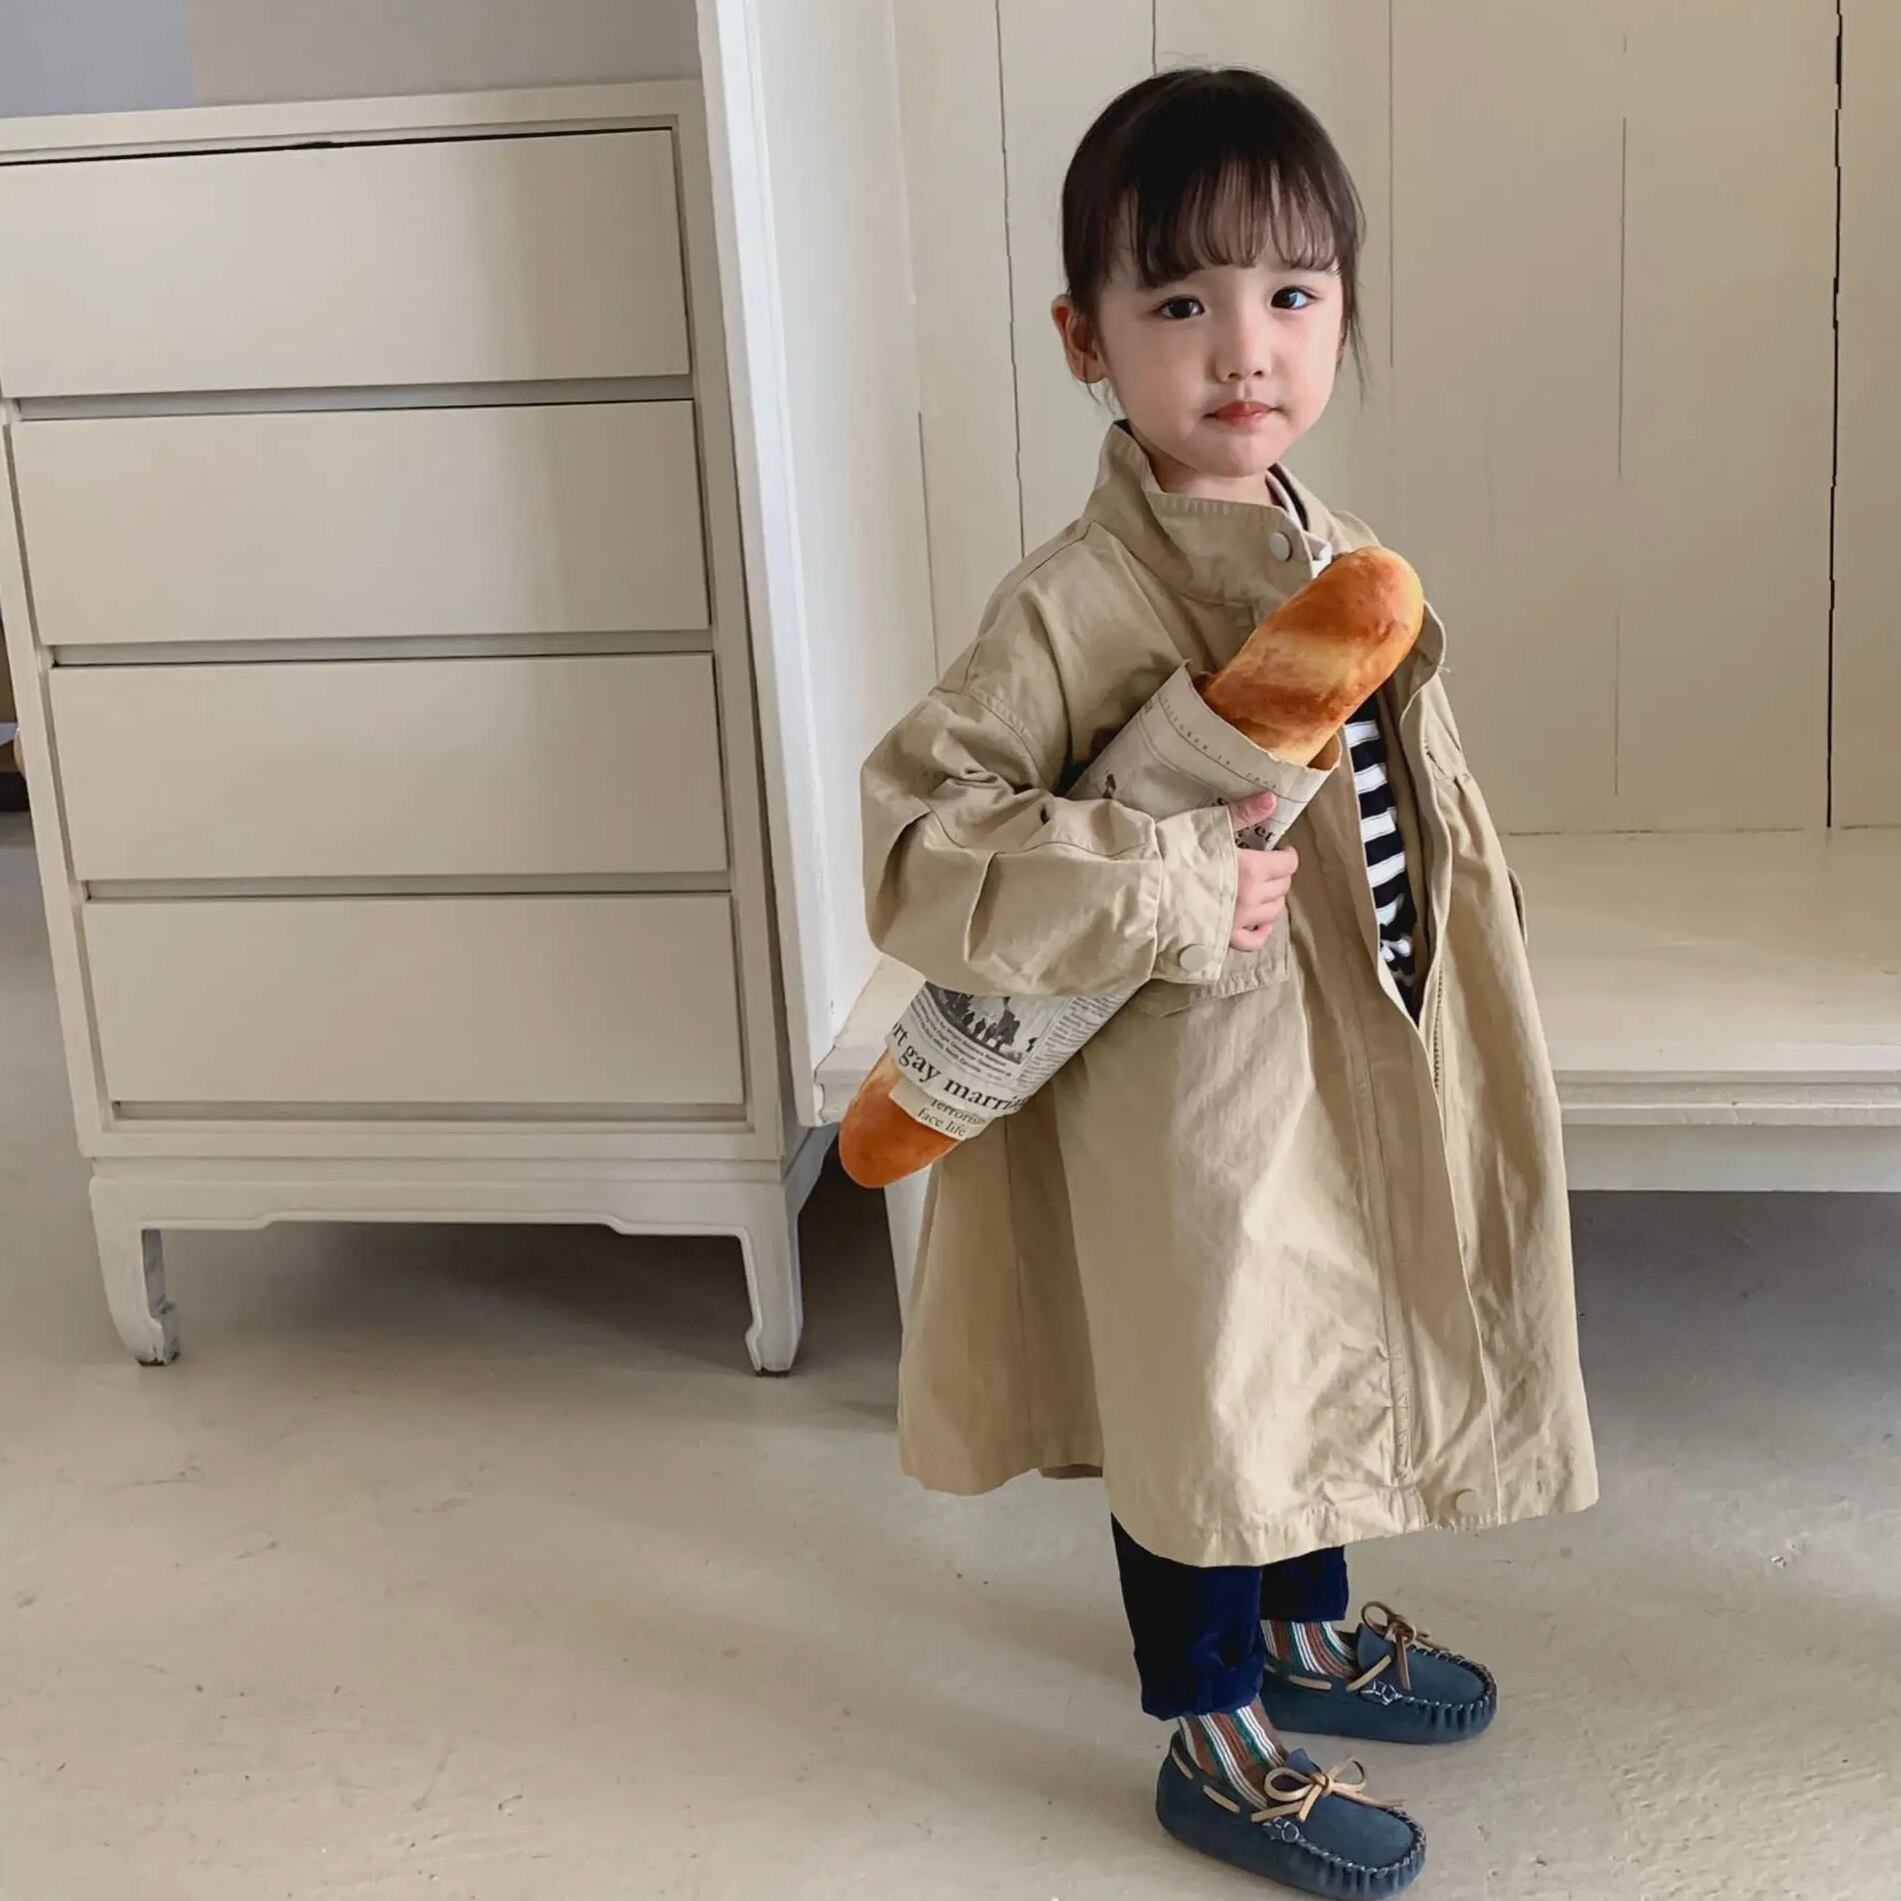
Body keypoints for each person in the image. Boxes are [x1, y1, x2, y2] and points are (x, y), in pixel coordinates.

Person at [860, 66, 1595, 1896]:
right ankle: (1212, 1725)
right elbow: (922, 840)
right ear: (1084, 339)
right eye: (1178, 300)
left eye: (1289, 292)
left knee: (1308, 1348)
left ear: (1341, 309)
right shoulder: (1072, 605)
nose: (1241, 347)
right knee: (1205, 1391)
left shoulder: (1329, 551)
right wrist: (1175, 878)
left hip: (1345, 1051)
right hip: (1180, 1094)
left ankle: (1305, 1626)